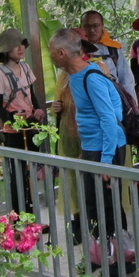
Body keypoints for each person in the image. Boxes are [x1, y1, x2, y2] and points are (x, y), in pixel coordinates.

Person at [48, 28, 128, 241]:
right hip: (94, 147)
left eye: (51, 51)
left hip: (107, 149)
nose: (50, 55)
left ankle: (120, 256)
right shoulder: (74, 77)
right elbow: (89, 119)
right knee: (92, 204)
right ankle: (99, 253)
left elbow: (110, 119)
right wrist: (88, 150)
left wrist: (106, 161)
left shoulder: (92, 77)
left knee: (108, 205)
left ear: (62, 53)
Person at [0, 27, 46, 214]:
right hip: (12, 131)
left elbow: (31, 93)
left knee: (31, 172)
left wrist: (38, 109)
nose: (21, 49)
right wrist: (12, 118)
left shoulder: (25, 67)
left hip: (29, 126)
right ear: (6, 50)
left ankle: (30, 214)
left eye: (22, 44)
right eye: (16, 46)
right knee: (18, 174)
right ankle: (20, 215)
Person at [51, 28, 98, 243]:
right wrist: (57, 107)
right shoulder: (64, 75)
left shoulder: (95, 71)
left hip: (89, 137)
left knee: (91, 182)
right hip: (69, 133)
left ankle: (97, 230)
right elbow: (59, 101)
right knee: (72, 180)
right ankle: (78, 224)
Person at [80, 10, 135, 93]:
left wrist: (131, 104)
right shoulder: (74, 50)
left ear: (102, 26)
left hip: (113, 99)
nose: (92, 30)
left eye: (96, 26)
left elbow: (126, 80)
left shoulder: (113, 49)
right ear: (81, 27)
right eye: (87, 26)